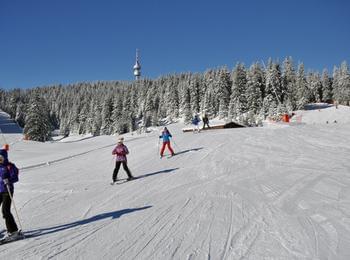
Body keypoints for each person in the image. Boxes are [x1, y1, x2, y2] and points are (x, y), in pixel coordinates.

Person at [0, 149, 21, 241]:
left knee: (5, 210)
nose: (0, 159)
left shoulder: (10, 166)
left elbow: (15, 177)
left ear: (5, 157)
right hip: (0, 190)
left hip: (7, 191)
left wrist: (9, 180)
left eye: (1, 158)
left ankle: (13, 231)